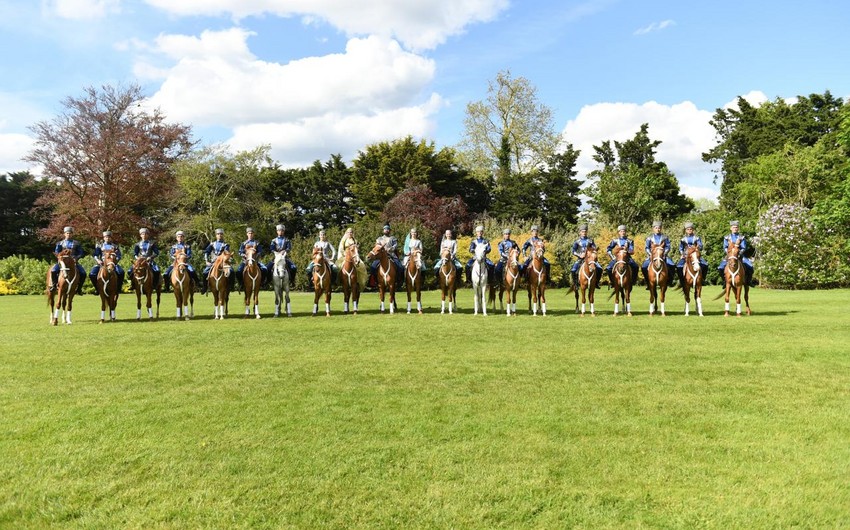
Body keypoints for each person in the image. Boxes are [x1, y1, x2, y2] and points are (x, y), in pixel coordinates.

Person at [718, 220, 756, 286]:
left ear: (738, 228)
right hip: (729, 255)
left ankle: (748, 281)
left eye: (736, 227)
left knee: (750, 266)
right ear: (731, 228)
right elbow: (725, 247)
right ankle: (725, 281)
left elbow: (744, 247)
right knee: (720, 267)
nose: (735, 229)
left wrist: (739, 253)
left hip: (740, 255)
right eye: (734, 227)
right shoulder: (726, 237)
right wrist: (730, 253)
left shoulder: (742, 237)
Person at [49, 226, 86, 295]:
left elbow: (81, 253)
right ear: (64, 234)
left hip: (73, 262)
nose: (69, 234)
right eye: (67, 233)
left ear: (72, 234)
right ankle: (54, 286)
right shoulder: (60, 243)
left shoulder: (77, 243)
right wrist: (60, 258)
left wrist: (76, 258)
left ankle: (79, 288)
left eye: (70, 233)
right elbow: (56, 252)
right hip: (63, 262)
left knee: (83, 273)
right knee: (53, 271)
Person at [89, 230, 125, 295]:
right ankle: (97, 289)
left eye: (109, 237)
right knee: (92, 274)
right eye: (106, 237)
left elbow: (119, 255)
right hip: (102, 264)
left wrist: (115, 261)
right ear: (104, 238)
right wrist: (98, 260)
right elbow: (95, 255)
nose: (107, 238)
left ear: (111, 238)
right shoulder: (100, 246)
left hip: (112, 264)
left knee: (121, 272)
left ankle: (118, 288)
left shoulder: (115, 246)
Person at [642, 221, 676, 289]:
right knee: (644, 266)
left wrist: (664, 253)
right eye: (656, 228)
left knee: (672, 265)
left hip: (662, 256)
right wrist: (650, 254)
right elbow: (647, 247)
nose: (658, 229)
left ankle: (670, 281)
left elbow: (668, 247)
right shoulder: (649, 238)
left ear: (661, 228)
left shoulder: (665, 237)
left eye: (659, 228)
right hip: (652, 256)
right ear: (653, 228)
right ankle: (648, 282)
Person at [370, 224, 403, 288]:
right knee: (373, 267)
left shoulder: (393, 238)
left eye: (388, 229)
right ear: (383, 230)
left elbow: (395, 246)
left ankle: (399, 281)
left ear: (390, 231)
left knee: (400, 267)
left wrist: (390, 249)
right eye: (385, 229)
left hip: (391, 255)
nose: (386, 230)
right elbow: (376, 246)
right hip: (380, 256)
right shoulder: (379, 239)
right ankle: (374, 282)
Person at [570, 224, 602, 290]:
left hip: (590, 259)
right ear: (580, 232)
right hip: (581, 259)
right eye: (582, 231)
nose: (584, 233)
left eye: (585, 231)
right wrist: (579, 255)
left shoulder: (590, 241)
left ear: (587, 232)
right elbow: (573, 251)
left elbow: (594, 248)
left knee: (600, 268)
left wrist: (594, 251)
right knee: (573, 270)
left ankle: (596, 283)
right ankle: (576, 284)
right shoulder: (577, 242)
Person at [201, 228, 231, 294]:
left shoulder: (226, 245)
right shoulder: (212, 244)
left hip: (222, 263)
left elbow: (227, 253)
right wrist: (206, 261)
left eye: (221, 234)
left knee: (231, 271)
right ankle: (205, 287)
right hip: (213, 262)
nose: (219, 235)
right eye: (218, 234)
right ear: (216, 235)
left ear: (223, 235)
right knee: (205, 272)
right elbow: (206, 252)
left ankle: (230, 286)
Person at [336, 227, 367, 292]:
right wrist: (344, 254)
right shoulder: (344, 240)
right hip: (345, 256)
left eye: (351, 232)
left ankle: (358, 281)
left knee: (362, 266)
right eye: (349, 232)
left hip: (353, 257)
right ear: (346, 233)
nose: (350, 233)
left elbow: (356, 249)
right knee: (338, 267)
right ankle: (338, 281)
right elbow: (341, 249)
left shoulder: (355, 240)